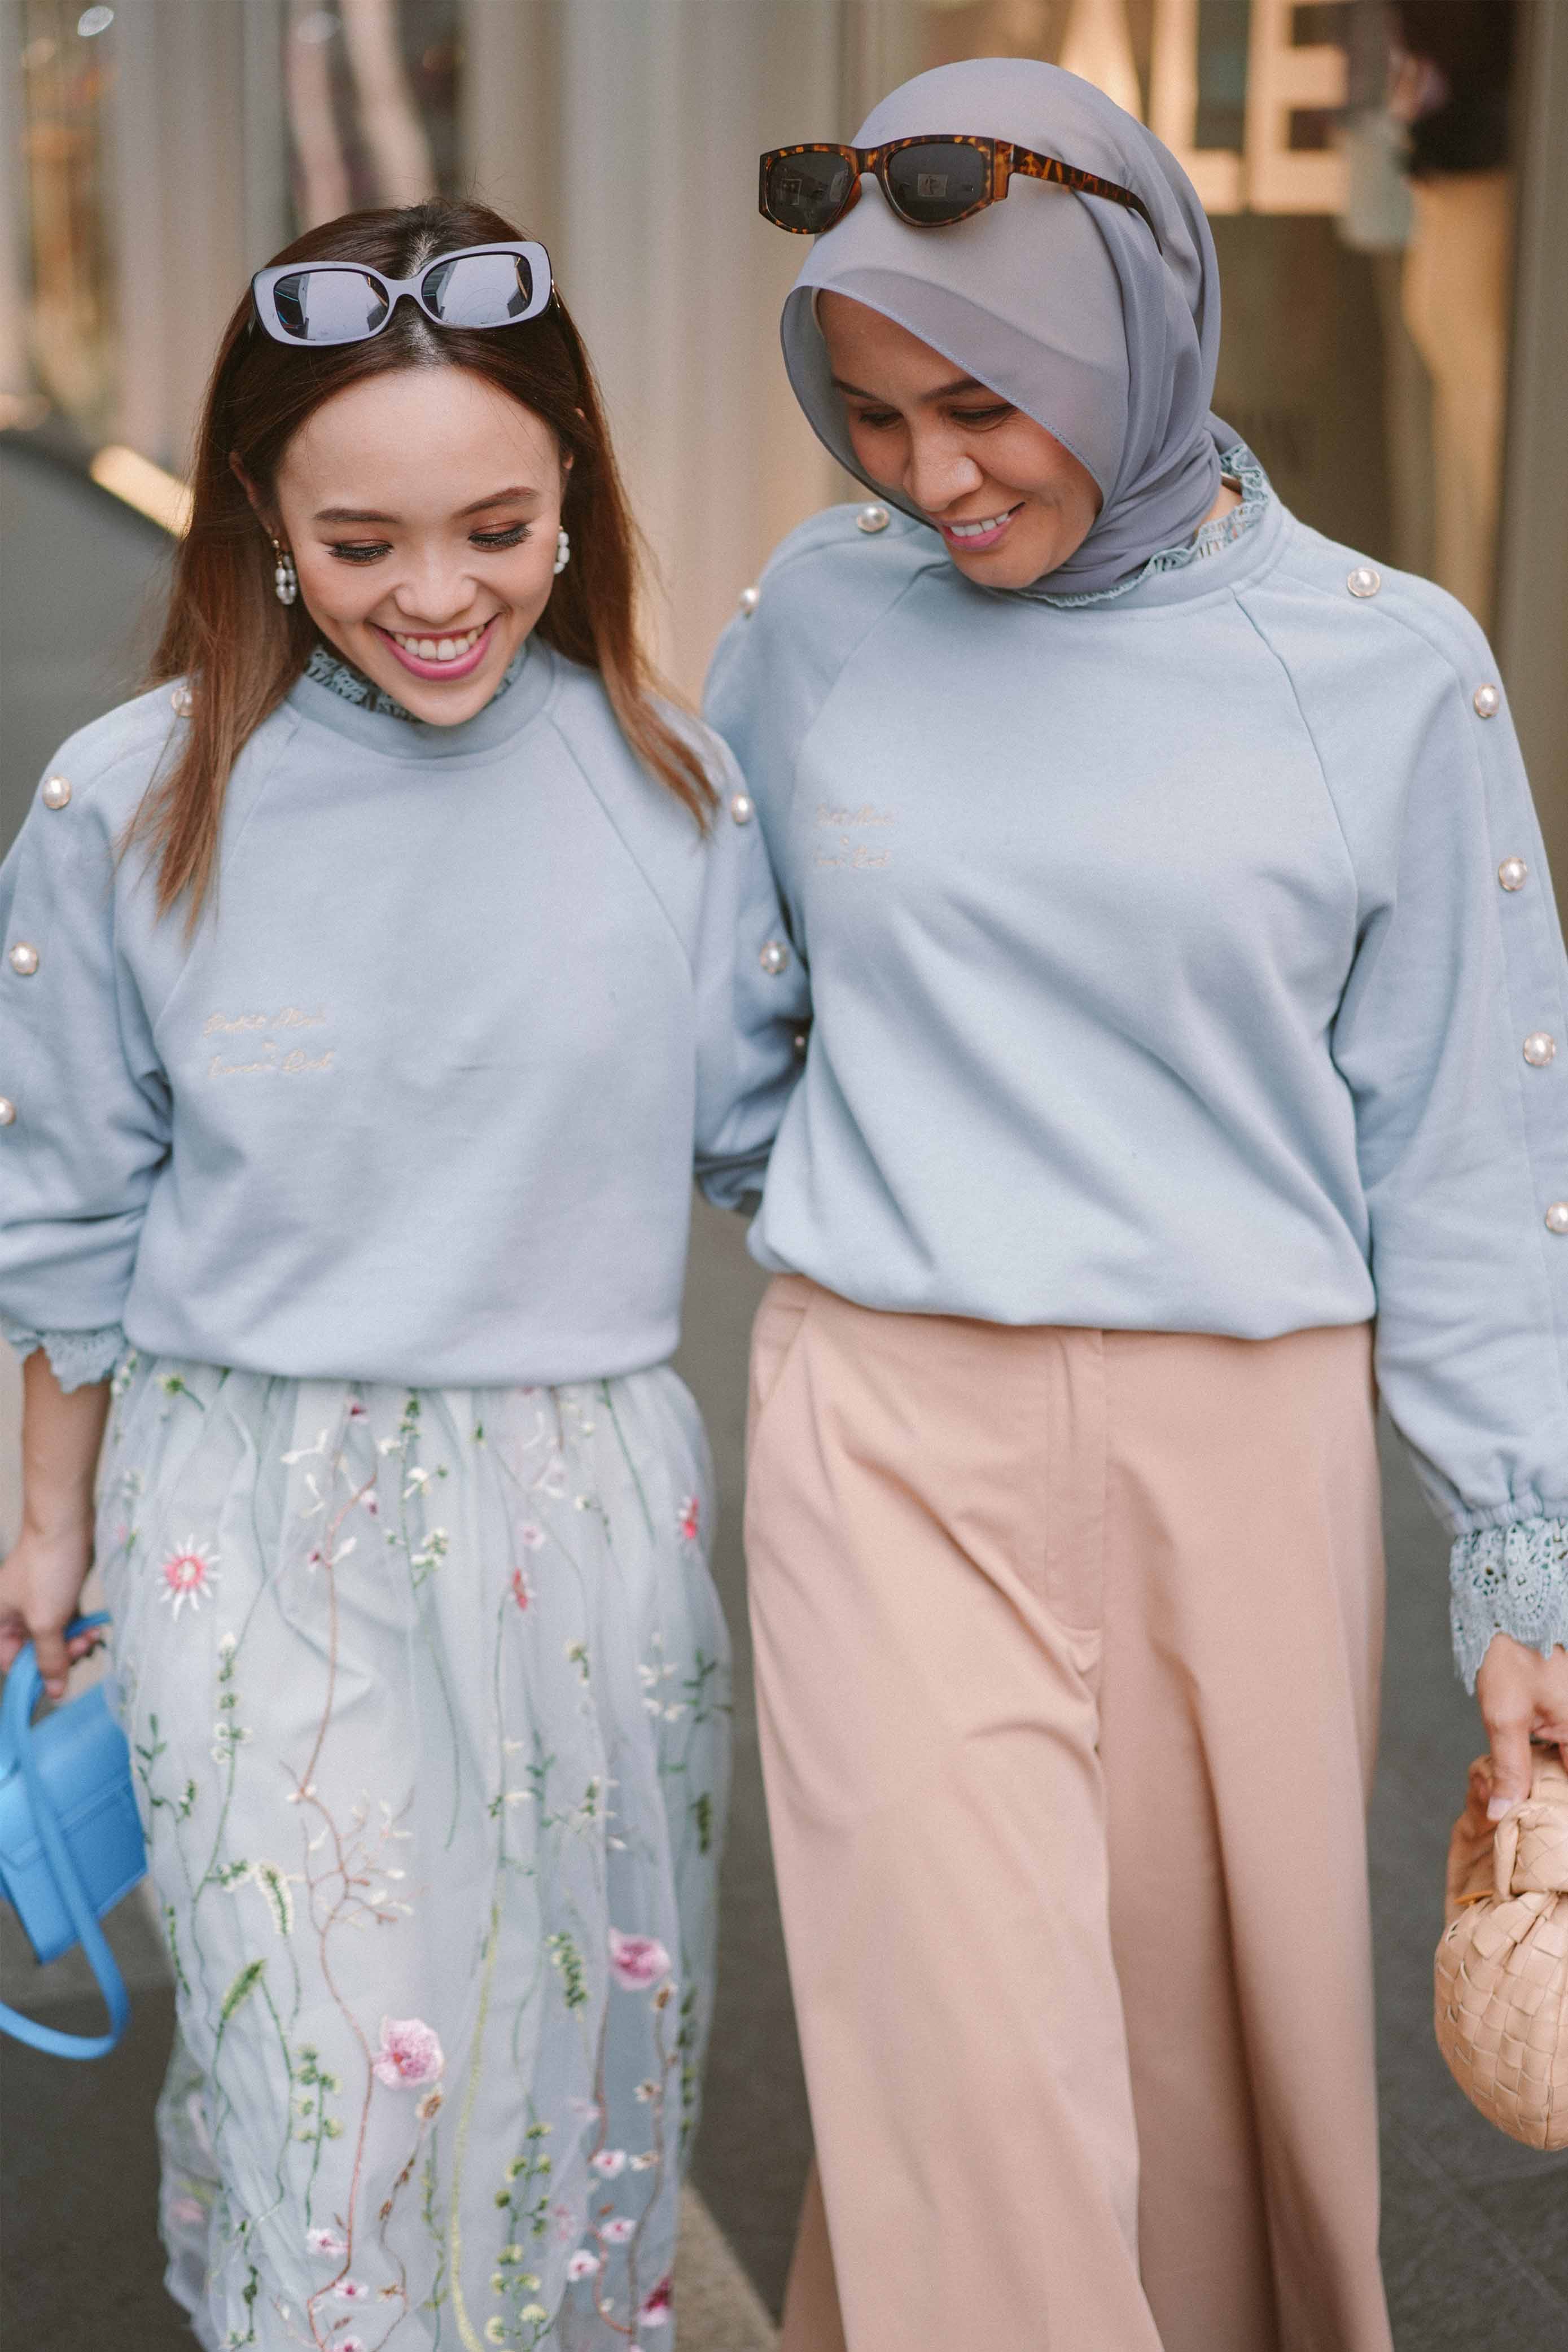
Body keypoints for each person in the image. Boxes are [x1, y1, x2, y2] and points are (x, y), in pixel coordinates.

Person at [706, 57, 1568, 2352]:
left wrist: (1525, 1555)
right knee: (960, 2087)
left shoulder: (1390, 671)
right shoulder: (814, 618)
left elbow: (1467, 1159)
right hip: (880, 1432)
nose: (929, 475)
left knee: (1206, 2112)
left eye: (980, 401)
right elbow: (721, 1022)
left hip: (1242, 1456)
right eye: (873, 413)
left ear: (1132, 325)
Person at [0, 198, 805, 2350]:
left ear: (575, 499)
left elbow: (774, 1156)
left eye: (497, 527)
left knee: (576, 2065)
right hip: (239, 1517)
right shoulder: (125, 804)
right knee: (332, 2076)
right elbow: (67, 1202)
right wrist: (46, 1528)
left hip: (590, 1523)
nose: (435, 595)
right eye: (360, 543)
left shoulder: (679, 792)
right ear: (260, 513)